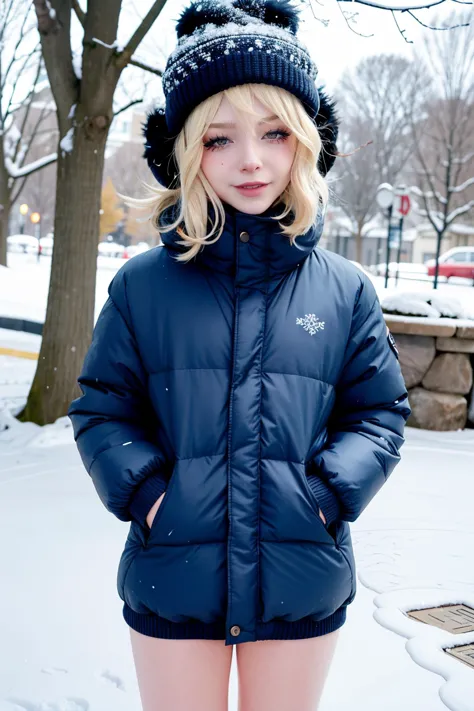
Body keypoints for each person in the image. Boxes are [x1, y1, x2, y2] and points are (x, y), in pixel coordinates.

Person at [68, 1, 411, 709]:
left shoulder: (345, 290)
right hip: (174, 572)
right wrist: (150, 496)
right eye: (220, 138)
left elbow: (378, 413)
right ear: (186, 148)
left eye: (275, 132)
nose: (251, 160)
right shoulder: (142, 286)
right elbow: (102, 410)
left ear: (306, 142)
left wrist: (325, 496)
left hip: (300, 571)